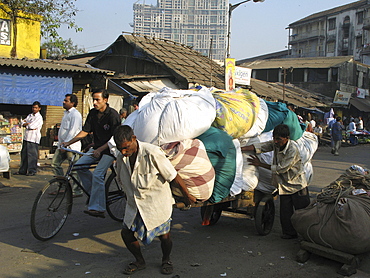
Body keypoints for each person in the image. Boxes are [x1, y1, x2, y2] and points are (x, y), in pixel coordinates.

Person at [113, 125, 196, 275]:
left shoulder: (152, 153)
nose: (124, 152)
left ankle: (166, 259)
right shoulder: (121, 157)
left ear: (134, 139)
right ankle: (139, 261)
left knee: (164, 236)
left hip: (156, 203)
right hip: (134, 203)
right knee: (126, 233)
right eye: (120, 149)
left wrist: (187, 196)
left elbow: (173, 176)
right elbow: (121, 178)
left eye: (126, 147)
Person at [241, 124, 310, 239]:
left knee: (302, 212)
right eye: (274, 138)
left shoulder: (292, 149)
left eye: (278, 139)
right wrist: (240, 148)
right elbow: (262, 146)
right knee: (285, 212)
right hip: (284, 185)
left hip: (296, 184)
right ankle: (289, 233)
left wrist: (260, 164)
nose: (275, 141)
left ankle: (308, 235)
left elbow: (282, 168)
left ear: (287, 138)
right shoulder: (275, 144)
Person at [62, 89, 121, 218]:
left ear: (105, 100)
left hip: (110, 150)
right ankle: (95, 195)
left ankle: (98, 207)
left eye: (97, 100)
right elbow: (85, 131)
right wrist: (68, 142)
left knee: (98, 174)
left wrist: (100, 150)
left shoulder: (113, 115)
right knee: (79, 167)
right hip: (96, 148)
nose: (94, 102)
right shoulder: (93, 113)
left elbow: (115, 139)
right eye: (93, 99)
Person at [51, 94, 83, 197]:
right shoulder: (66, 114)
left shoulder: (75, 114)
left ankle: (77, 191)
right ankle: (62, 186)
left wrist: (67, 145)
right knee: (55, 164)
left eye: (66, 100)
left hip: (71, 147)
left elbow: (73, 131)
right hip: (62, 145)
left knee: (74, 169)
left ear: (72, 103)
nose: (64, 102)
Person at [15, 101, 43, 176]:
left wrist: (26, 125)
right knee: (24, 154)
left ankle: (32, 171)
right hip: (26, 137)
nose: (34, 109)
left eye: (36, 108)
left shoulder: (39, 118)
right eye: (33, 107)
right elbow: (22, 122)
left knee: (32, 155)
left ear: (39, 108)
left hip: (33, 139)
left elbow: (32, 126)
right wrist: (25, 124)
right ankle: (22, 170)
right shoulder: (30, 115)